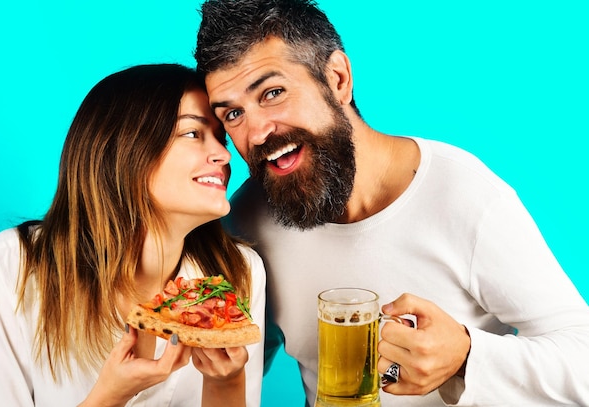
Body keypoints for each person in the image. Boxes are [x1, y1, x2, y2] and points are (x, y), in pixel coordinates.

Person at [194, 1, 589, 406]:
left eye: (273, 93)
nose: (257, 133)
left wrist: (466, 356)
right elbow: (227, 370)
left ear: (338, 79)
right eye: (234, 114)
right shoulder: (246, 221)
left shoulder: (464, 194)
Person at [0, 63, 266, 407]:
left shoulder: (239, 272)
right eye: (192, 133)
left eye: (220, 137)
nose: (224, 155)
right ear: (125, 150)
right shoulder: (15, 264)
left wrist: (227, 382)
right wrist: (110, 396)